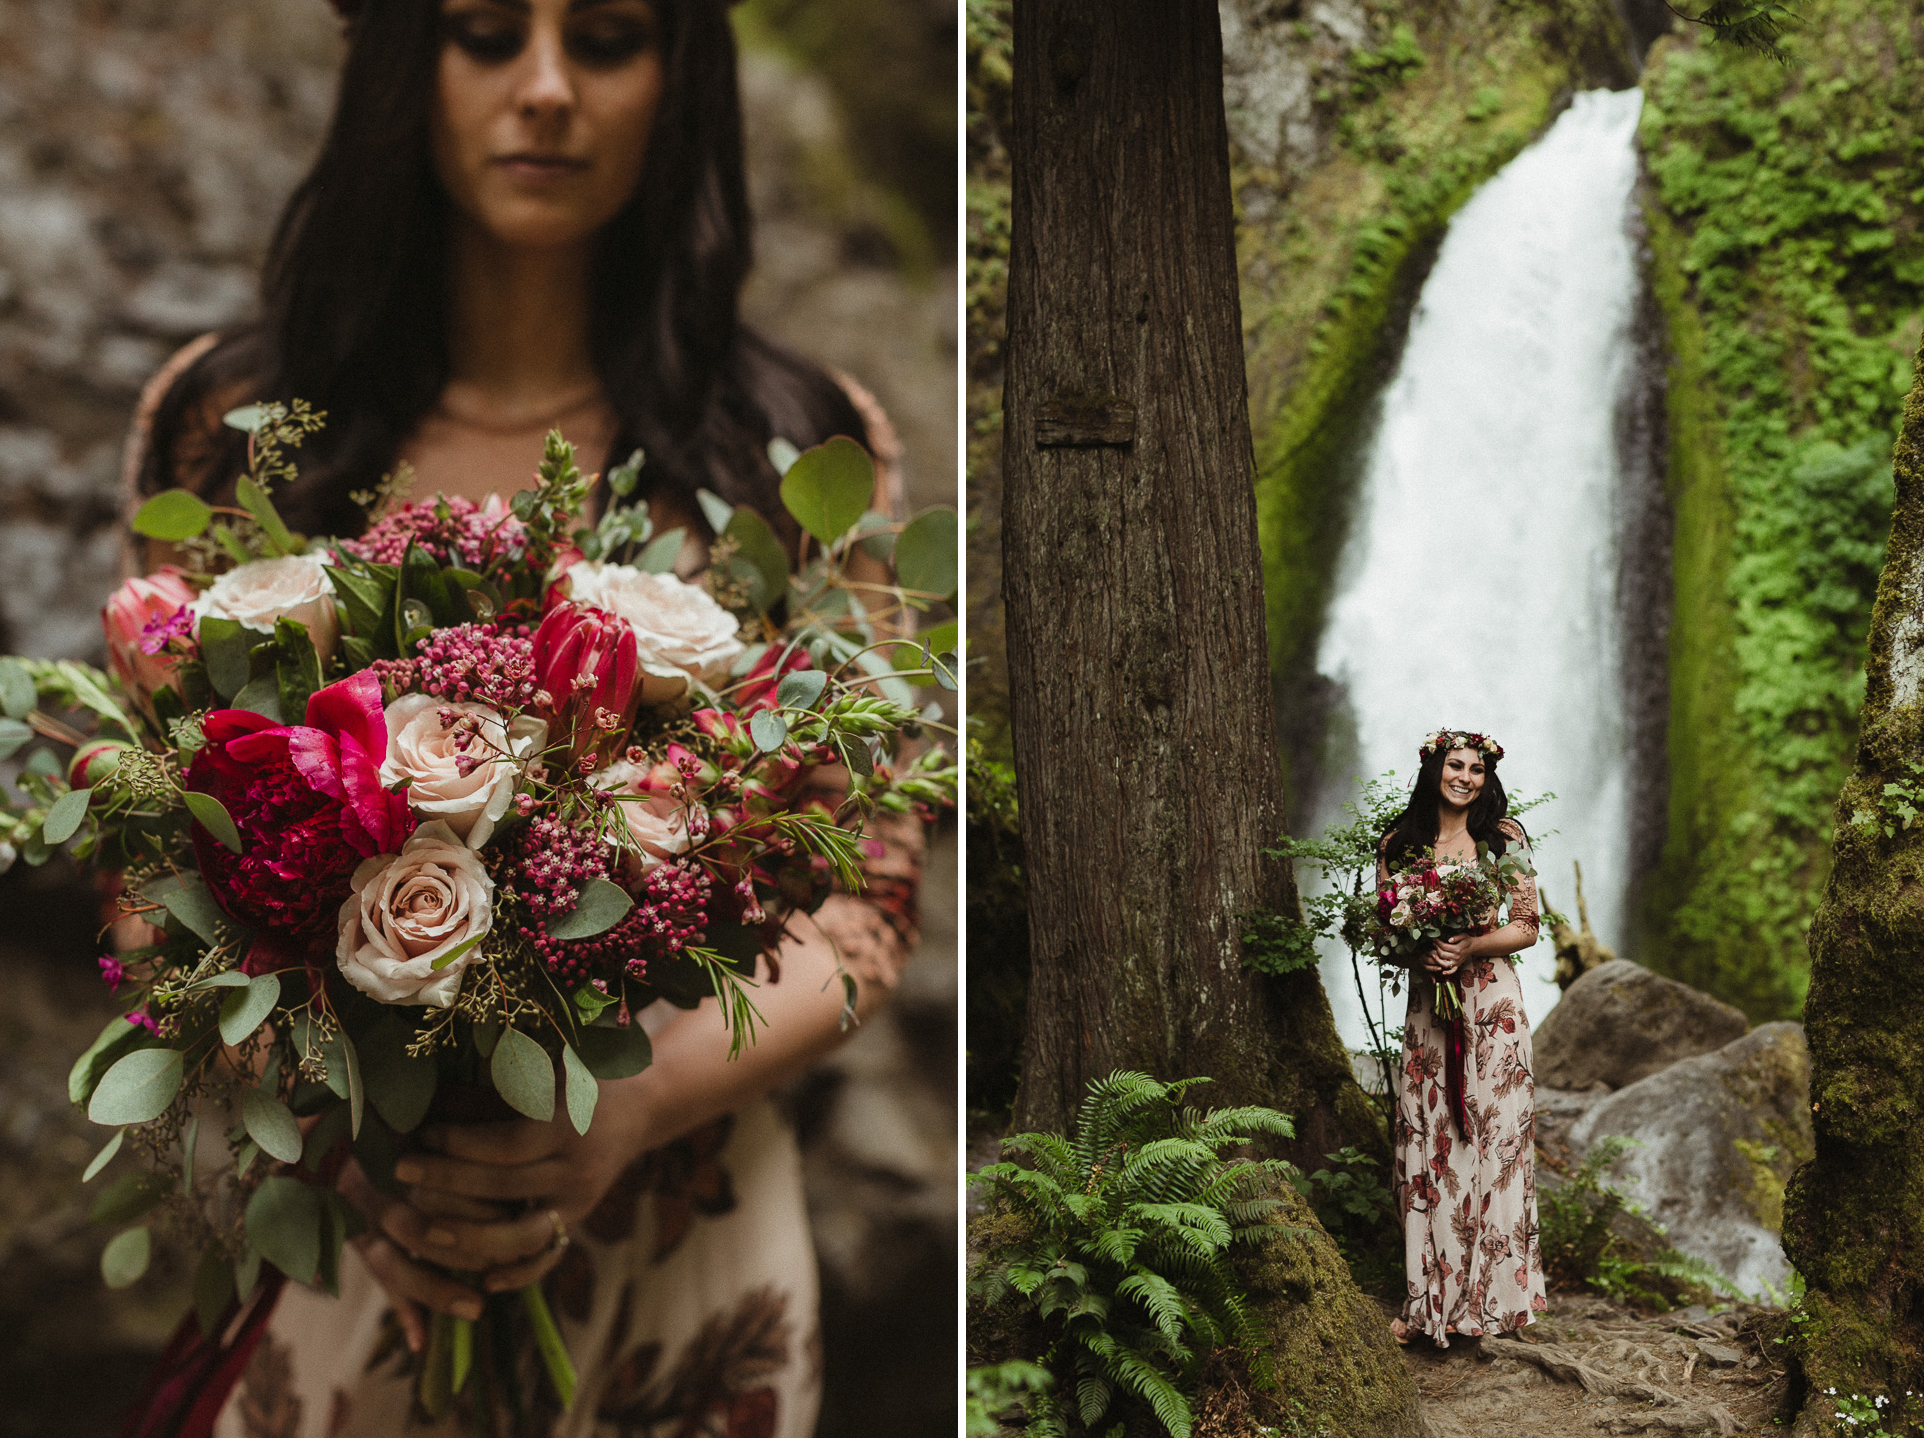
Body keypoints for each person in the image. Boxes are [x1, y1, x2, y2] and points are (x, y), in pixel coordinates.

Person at [118, 1, 926, 1432]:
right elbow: (147, 855)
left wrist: (624, 1109)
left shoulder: (794, 444)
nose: (544, 89)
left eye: (607, 37)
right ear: (403, 67)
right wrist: (348, 1132)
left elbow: (867, 903)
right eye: (488, 32)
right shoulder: (233, 421)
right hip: (344, 1232)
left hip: (683, 1236)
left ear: (679, 80)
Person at [1377, 730, 1546, 1350]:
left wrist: (1469, 944)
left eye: (1477, 768)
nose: (1466, 777)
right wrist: (1423, 952)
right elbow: (1386, 926)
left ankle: (1492, 1302)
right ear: (1434, 768)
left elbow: (1528, 926)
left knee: (1493, 1143)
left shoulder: (1505, 838)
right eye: (1456, 765)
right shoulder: (1401, 843)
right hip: (1432, 1013)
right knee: (1433, 1146)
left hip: (1493, 1009)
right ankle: (1427, 1301)